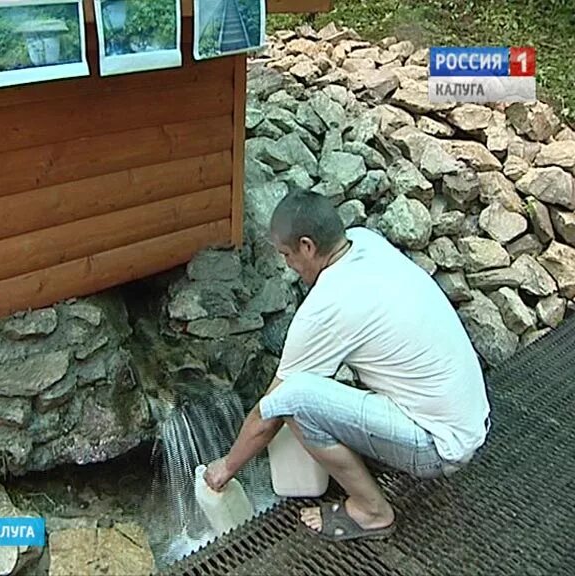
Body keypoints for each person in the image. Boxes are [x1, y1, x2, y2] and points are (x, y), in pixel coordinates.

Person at [204, 190, 491, 541]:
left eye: (286, 255)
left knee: (295, 400)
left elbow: (269, 414)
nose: (288, 265)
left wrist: (226, 468)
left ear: (307, 247)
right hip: (470, 415)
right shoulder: (364, 241)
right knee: (307, 392)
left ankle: (372, 512)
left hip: (439, 446)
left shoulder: (325, 309)